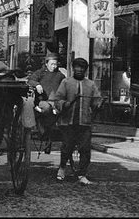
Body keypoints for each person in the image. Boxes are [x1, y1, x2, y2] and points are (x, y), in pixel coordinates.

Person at [53, 57, 102, 185]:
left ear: (85, 70)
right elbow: (57, 100)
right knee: (67, 147)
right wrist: (65, 104)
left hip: (84, 123)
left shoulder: (90, 84)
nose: (79, 70)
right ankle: (62, 168)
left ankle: (82, 174)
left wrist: (99, 104)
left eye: (82, 68)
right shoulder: (66, 82)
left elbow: (96, 100)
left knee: (85, 149)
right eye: (77, 67)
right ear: (73, 68)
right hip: (68, 122)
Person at [27, 52, 65, 154]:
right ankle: (43, 130)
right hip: (43, 101)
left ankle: (49, 137)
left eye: (56, 64)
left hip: (56, 101)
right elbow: (30, 80)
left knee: (64, 109)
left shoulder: (60, 75)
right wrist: (37, 84)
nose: (54, 66)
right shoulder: (40, 73)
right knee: (47, 109)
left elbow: (66, 85)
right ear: (46, 63)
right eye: (52, 64)